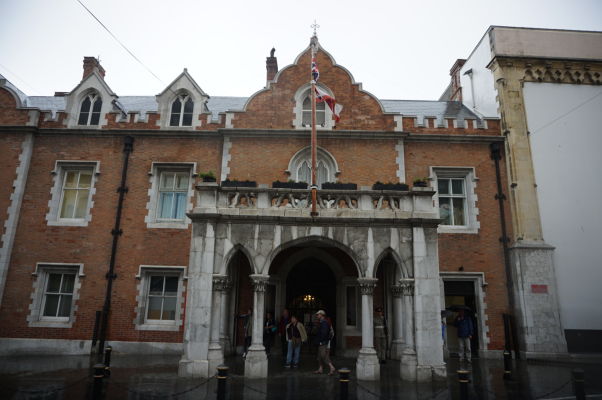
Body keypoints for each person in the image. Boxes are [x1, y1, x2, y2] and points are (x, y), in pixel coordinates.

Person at [313, 310, 336, 375]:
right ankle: (320, 369)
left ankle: (331, 367)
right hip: (321, 342)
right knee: (319, 356)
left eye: (318, 314)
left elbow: (324, 333)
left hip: (323, 342)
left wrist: (320, 341)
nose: (317, 316)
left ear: (322, 315)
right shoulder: (321, 322)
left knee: (323, 355)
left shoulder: (324, 323)